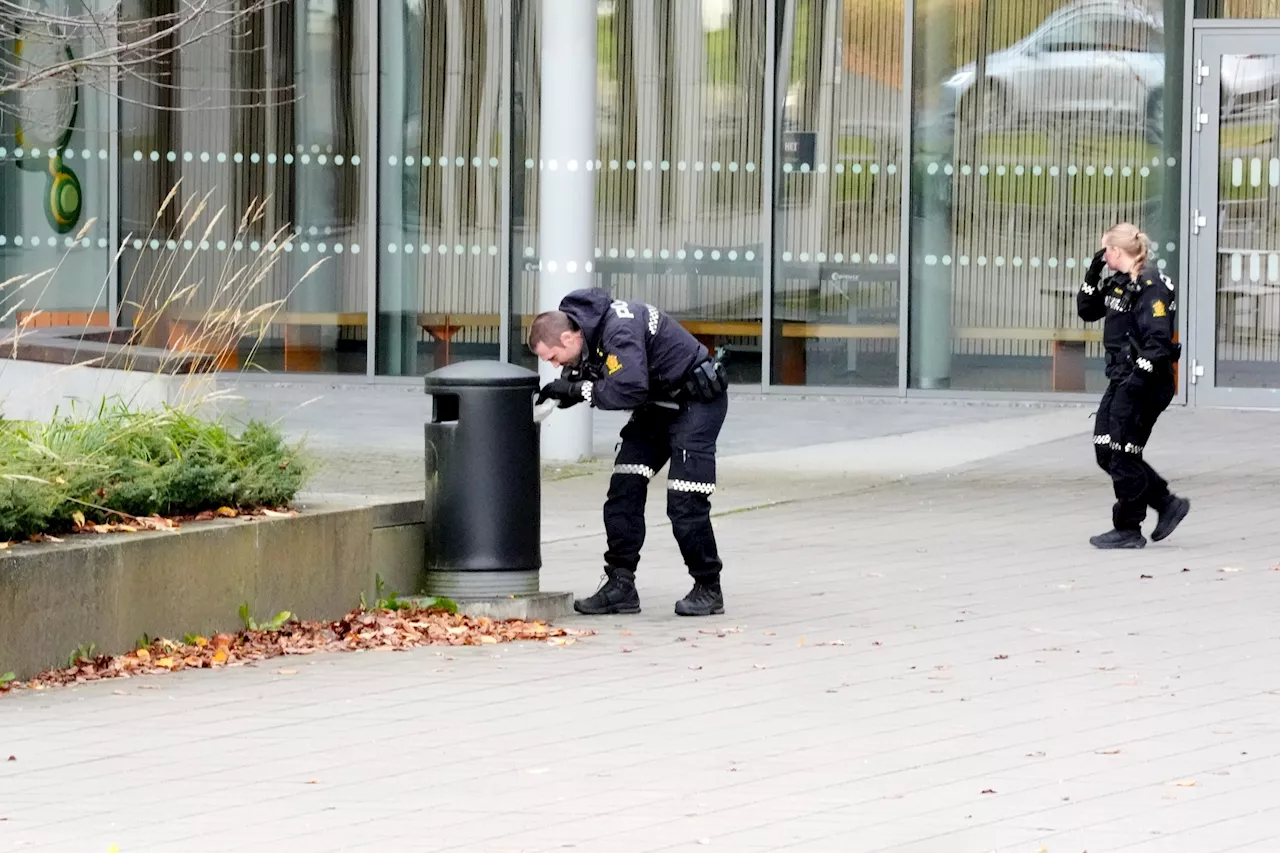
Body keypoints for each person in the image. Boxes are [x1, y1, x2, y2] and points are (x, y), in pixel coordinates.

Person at [529, 288, 730, 617]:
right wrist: (571, 388)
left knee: (685, 499)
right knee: (624, 488)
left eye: (553, 357)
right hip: (656, 407)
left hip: (696, 405)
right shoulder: (591, 331)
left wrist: (580, 390)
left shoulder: (618, 328)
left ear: (567, 337)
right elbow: (608, 376)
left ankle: (709, 587)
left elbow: (629, 386)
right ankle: (620, 585)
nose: (554, 365)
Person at [1077, 222, 1190, 549]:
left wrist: (1135, 382)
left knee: (1123, 452)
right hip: (1121, 378)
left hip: (1145, 381)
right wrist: (1092, 274)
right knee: (1106, 450)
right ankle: (1166, 503)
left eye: (1105, 250)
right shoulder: (1119, 282)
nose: (1103, 255)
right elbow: (1087, 311)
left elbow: (1158, 342)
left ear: (1117, 250)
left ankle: (1128, 527)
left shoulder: (1150, 285)